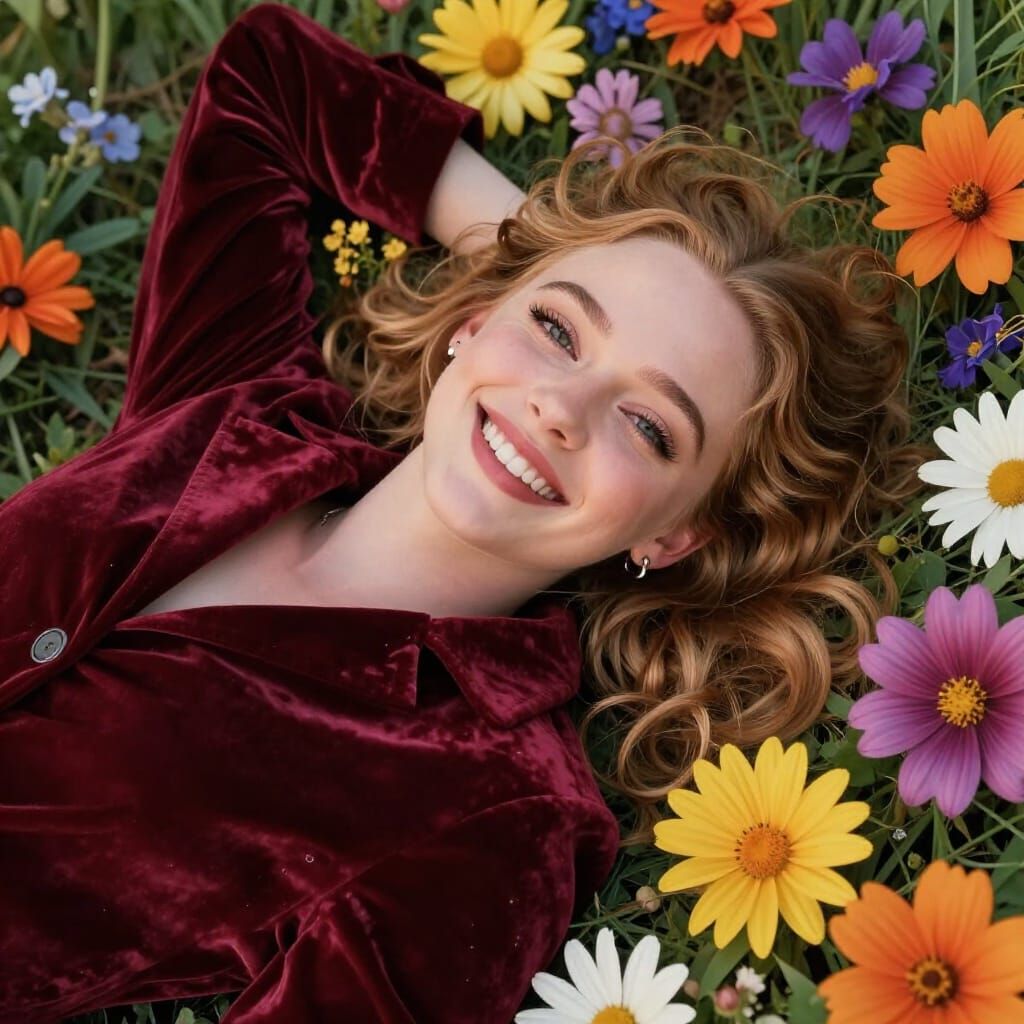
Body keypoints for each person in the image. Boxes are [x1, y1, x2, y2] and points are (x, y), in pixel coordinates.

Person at [0, 2, 925, 1022]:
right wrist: (530, 253)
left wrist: (553, 291)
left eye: (649, 426)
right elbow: (268, 82)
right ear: (475, 320)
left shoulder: (492, 814)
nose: (557, 407)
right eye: (558, 331)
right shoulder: (236, 399)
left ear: (671, 534)